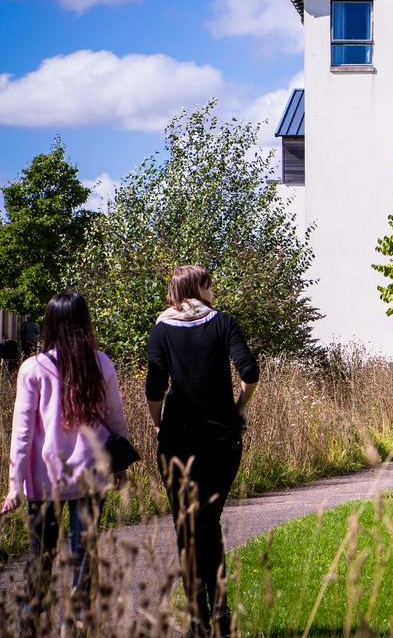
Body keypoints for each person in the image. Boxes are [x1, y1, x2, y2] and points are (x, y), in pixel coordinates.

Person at [145, 265, 259, 636]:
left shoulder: (161, 329)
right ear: (199, 287)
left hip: (177, 438)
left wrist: (159, 422)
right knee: (208, 522)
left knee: (187, 525)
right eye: (210, 284)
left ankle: (197, 616)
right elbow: (250, 372)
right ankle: (220, 609)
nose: (214, 291)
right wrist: (238, 410)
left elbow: (154, 387)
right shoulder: (223, 323)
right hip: (221, 439)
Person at [1, 292, 130, 605]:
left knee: (40, 557)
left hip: (45, 479)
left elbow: (22, 432)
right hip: (90, 473)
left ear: (50, 325)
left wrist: (15, 484)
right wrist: (121, 464)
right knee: (85, 554)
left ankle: (31, 620)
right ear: (84, 322)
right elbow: (115, 416)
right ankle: (80, 617)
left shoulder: (33, 368)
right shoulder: (100, 362)